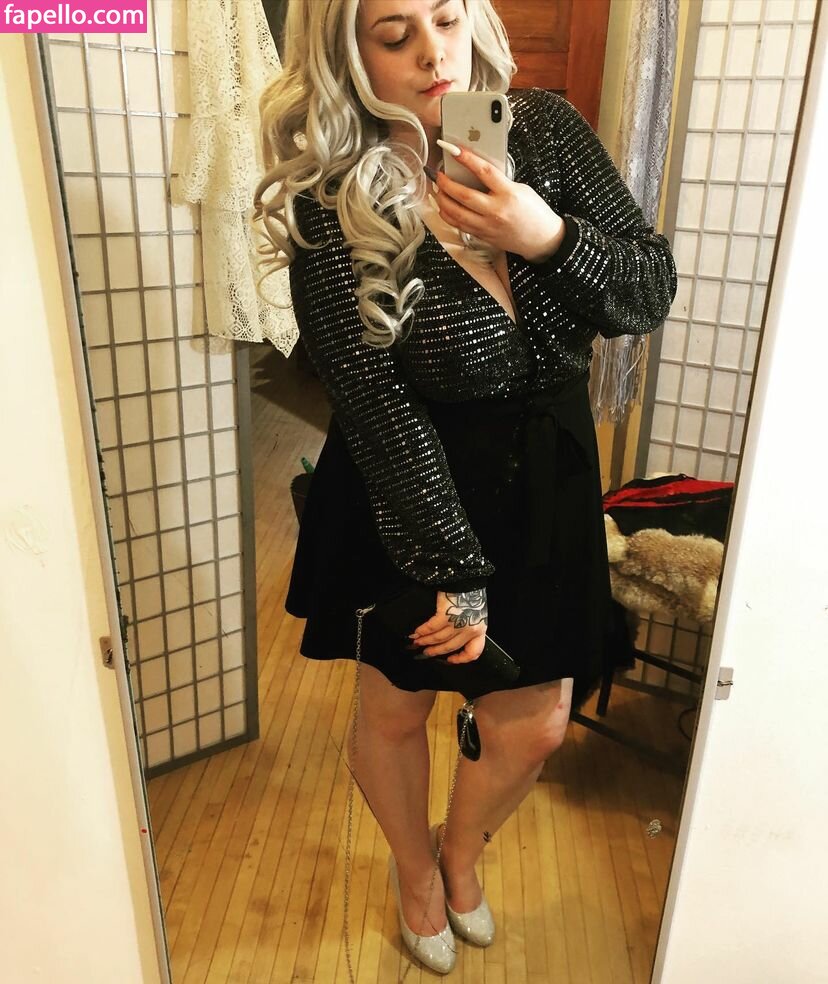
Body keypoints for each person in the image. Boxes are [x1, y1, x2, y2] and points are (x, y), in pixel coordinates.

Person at [255, 0, 677, 974]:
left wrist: (547, 236)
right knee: (397, 709)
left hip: (548, 476)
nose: (432, 53)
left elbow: (647, 290)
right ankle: (416, 873)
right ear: (346, 53)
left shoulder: (542, 132)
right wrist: (452, 568)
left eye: (445, 19)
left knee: (534, 723)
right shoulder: (332, 196)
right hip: (409, 484)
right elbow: (373, 403)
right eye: (393, 34)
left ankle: (460, 851)